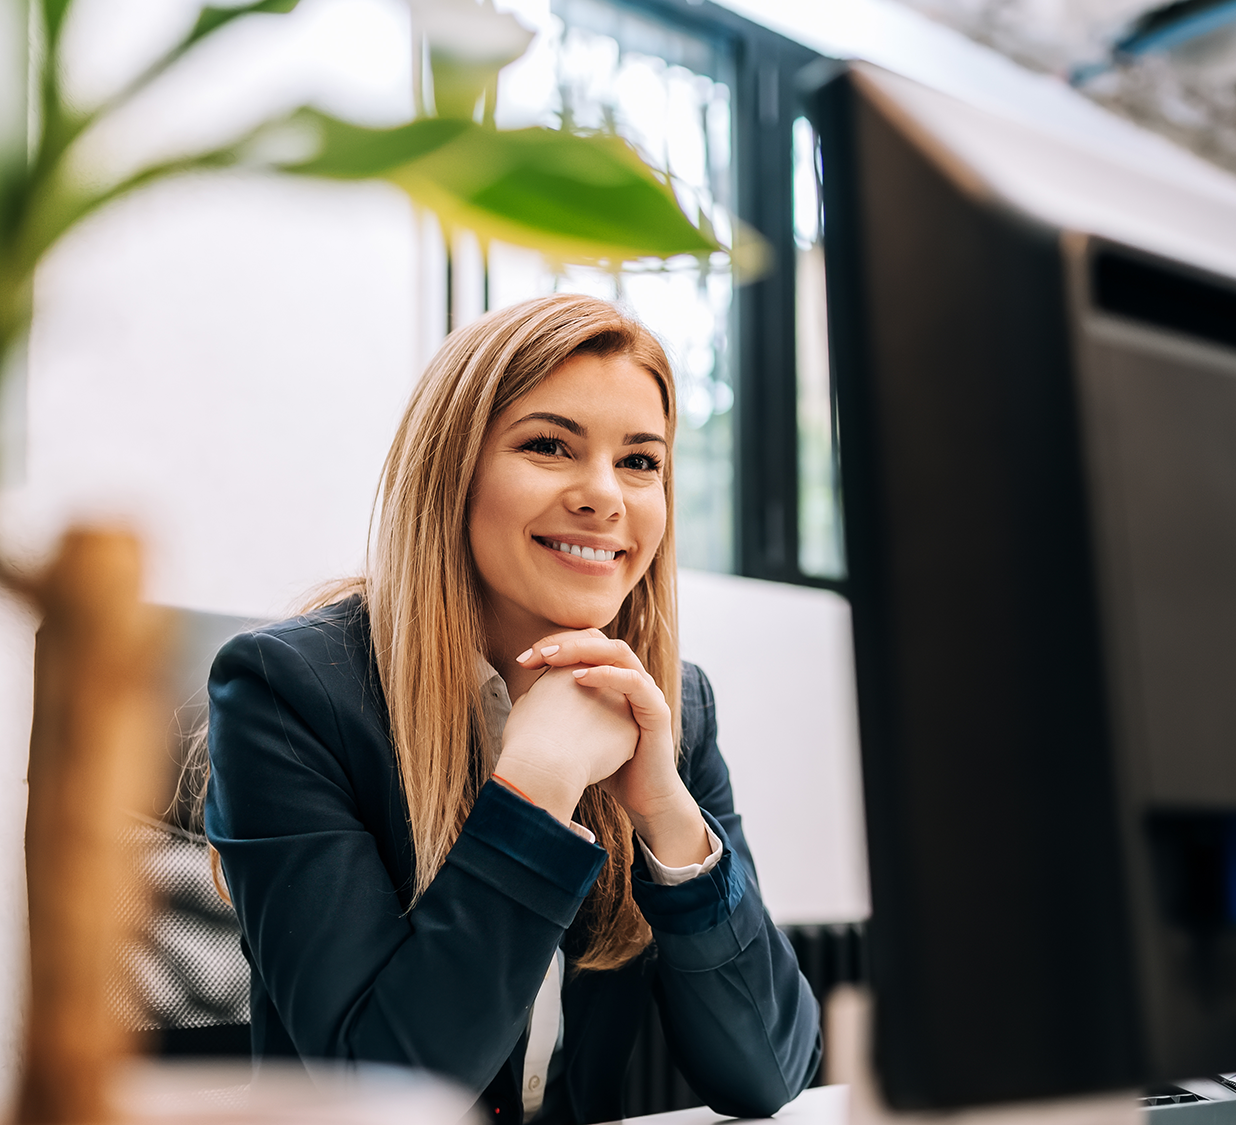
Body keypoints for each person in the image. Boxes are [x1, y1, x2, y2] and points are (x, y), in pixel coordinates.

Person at [203, 294, 822, 1123]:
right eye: (549, 446)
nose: (605, 496)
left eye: (641, 462)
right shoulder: (291, 695)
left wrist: (669, 813)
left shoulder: (669, 705)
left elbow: (769, 1073)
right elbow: (388, 1094)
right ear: (450, 472)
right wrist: (535, 789)